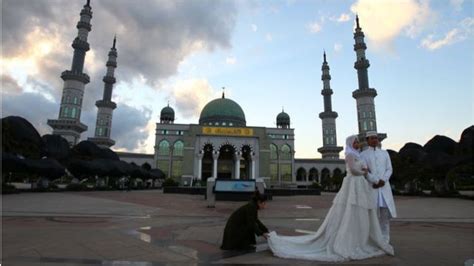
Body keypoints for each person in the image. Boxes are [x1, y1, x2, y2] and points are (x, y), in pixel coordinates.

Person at [267, 135, 394, 262]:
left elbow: (387, 169)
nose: (357, 144)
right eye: (355, 142)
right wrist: (366, 173)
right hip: (357, 185)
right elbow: (355, 170)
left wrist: (379, 179)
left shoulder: (369, 154)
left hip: (365, 186)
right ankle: (353, 239)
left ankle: (378, 239)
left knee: (378, 215)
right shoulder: (356, 154)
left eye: (357, 142)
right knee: (353, 211)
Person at [360, 131, 397, 244]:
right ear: (367, 140)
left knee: (384, 218)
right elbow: (365, 172)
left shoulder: (384, 153)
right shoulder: (363, 155)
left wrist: (383, 181)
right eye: (372, 138)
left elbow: (389, 169)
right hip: (372, 188)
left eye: (376, 138)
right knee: (373, 217)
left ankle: (385, 240)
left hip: (384, 188)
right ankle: (374, 239)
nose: (375, 140)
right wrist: (375, 181)